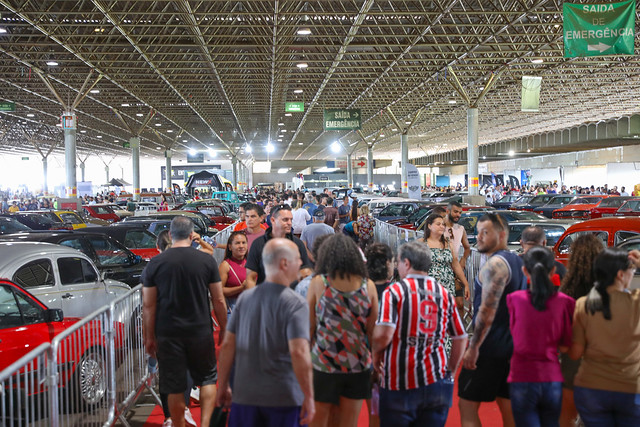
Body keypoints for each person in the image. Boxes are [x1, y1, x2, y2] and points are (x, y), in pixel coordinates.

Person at [216, 239, 315, 427]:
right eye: (298, 259)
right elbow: (299, 352)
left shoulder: (245, 299)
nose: (301, 263)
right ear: (284, 263)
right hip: (283, 396)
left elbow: (228, 345)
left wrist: (222, 386)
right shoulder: (295, 303)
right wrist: (309, 396)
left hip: (245, 394)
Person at [143, 217, 228, 427]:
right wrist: (225, 327)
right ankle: (206, 423)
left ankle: (178, 422)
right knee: (208, 379)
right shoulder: (206, 260)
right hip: (200, 330)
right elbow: (218, 298)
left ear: (171, 235)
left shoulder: (155, 263)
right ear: (192, 236)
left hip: (168, 332)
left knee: (173, 383)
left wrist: (149, 337)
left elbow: (148, 305)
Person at [373, 241, 468, 427]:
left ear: (406, 263)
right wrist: (450, 370)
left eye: (397, 262)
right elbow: (461, 336)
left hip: (399, 381)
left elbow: (384, 334)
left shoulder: (394, 291)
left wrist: (376, 355)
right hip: (436, 379)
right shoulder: (443, 293)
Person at [458, 213, 527, 427]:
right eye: (478, 232)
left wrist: (474, 347)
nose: (478, 237)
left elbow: (487, 311)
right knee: (508, 407)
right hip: (511, 347)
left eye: (485, 233)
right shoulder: (517, 261)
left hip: (489, 347)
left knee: (467, 406)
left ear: (502, 234)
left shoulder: (495, 265)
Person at [306, 234, 378, 427]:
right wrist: (377, 365)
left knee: (318, 420)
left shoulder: (319, 283)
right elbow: (372, 332)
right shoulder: (368, 286)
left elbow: (309, 327)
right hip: (358, 363)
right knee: (349, 422)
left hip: (324, 363)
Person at [567, 248, 640, 426]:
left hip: (592, 388)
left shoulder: (584, 304)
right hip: (630, 388)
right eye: (632, 270)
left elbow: (575, 353)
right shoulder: (636, 303)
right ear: (620, 274)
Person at [507, 247, 575, 427]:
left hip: (521, 376)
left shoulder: (514, 299)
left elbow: (514, 335)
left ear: (524, 270)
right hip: (551, 377)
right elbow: (565, 346)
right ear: (553, 270)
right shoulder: (565, 302)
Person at [147, 230, 198, 427]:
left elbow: (149, 305)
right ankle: (183, 409)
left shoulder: (153, 267)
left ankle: (169, 417)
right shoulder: (190, 264)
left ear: (157, 246)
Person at [557, 234, 603, 427]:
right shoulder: (609, 294)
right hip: (603, 369)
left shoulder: (564, 294)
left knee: (565, 419)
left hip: (571, 366)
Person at [245, 204, 312, 288]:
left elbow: (306, 271)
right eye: (285, 220)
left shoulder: (297, 244)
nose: (289, 223)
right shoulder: (258, 244)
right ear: (273, 220)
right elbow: (251, 277)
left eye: (291, 219)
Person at [422, 213, 470, 301]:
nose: (442, 226)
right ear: (429, 226)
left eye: (443, 224)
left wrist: (465, 284)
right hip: (428, 288)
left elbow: (455, 265)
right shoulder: (421, 243)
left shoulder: (448, 244)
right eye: (438, 224)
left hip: (447, 287)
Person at [444, 201, 471, 311]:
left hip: (456, 270)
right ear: (448, 211)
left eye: (460, 212)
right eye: (455, 212)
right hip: (441, 270)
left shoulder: (461, 229)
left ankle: (459, 327)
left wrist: (463, 260)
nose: (458, 215)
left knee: (459, 304)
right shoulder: (439, 226)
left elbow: (467, 248)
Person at [219, 231, 248, 313]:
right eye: (237, 243)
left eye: (244, 243)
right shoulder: (225, 265)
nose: (241, 246)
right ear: (230, 247)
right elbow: (219, 291)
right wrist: (241, 288)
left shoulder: (251, 263)